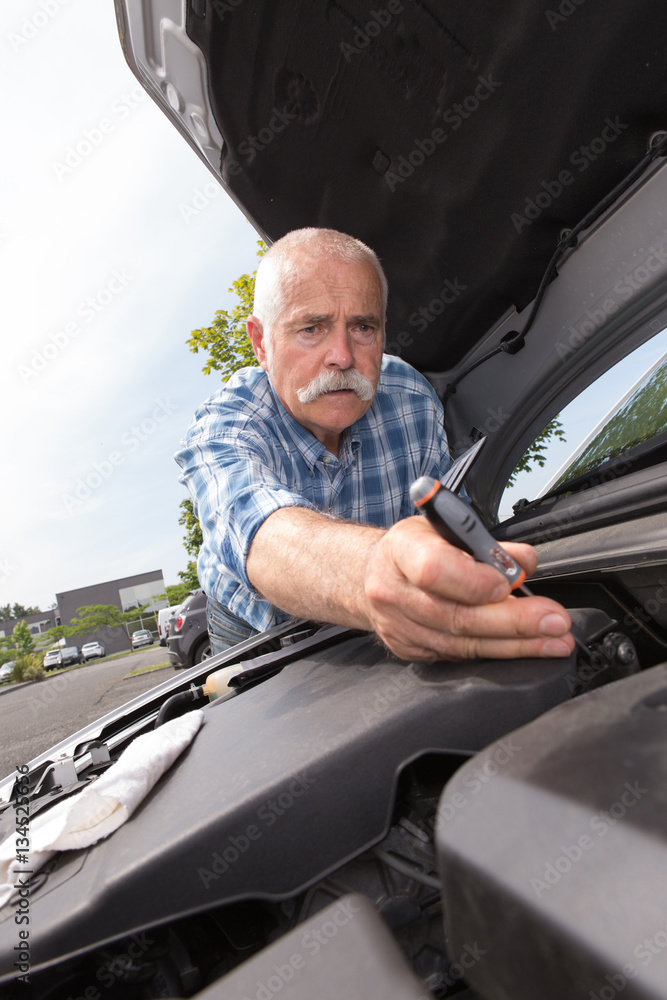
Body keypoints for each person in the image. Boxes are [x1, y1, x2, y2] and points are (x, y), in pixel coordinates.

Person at [175, 228, 574, 662]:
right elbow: (258, 532)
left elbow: (443, 517)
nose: (343, 356)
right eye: (312, 328)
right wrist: (375, 572)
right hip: (251, 625)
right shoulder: (225, 427)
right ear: (261, 343)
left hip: (380, 611)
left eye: (363, 327)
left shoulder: (412, 398)